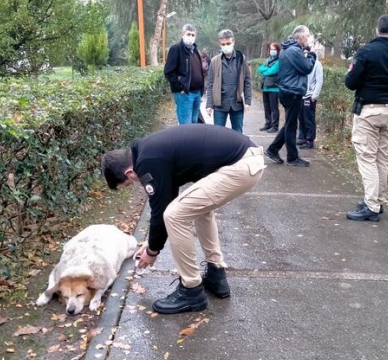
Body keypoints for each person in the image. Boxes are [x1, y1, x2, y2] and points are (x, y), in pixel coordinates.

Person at [102, 124, 266, 314]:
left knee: (175, 215)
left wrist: (152, 251)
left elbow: (163, 212)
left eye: (130, 183)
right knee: (195, 209)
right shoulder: (149, 151)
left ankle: (191, 290)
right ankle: (216, 274)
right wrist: (152, 242)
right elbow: (165, 201)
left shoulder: (147, 161)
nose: (136, 184)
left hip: (240, 167)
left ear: (129, 173)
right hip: (247, 160)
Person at [344, 14, 388, 222]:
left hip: (368, 111)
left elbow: (351, 82)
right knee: (382, 158)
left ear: (377, 29)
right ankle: (377, 201)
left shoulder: (365, 52)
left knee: (367, 158)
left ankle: (371, 206)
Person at [264, 26, 316, 167]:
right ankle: (292, 157)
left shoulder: (288, 49)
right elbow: (307, 67)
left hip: (288, 90)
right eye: (307, 36)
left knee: (289, 123)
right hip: (292, 91)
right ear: (301, 37)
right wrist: (312, 55)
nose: (308, 39)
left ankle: (273, 149)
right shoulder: (294, 51)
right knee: (291, 125)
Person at [206, 29, 252, 133]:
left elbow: (247, 80)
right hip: (220, 105)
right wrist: (209, 104)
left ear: (233, 42)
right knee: (218, 134)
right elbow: (210, 84)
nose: (226, 46)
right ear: (220, 44)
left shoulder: (242, 59)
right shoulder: (214, 61)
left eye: (228, 43)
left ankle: (237, 150)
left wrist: (248, 101)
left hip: (237, 104)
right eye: (223, 44)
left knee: (238, 133)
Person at [164, 24, 205, 125]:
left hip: (197, 94)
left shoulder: (195, 51)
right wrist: (179, 88)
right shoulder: (176, 49)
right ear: (182, 35)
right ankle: (185, 141)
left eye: (193, 35)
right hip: (185, 94)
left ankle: (193, 141)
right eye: (188, 34)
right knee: (186, 126)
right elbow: (168, 72)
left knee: (194, 123)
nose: (191, 37)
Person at [296, 45, 324, 149]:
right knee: (301, 117)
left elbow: (319, 80)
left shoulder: (317, 64)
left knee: (309, 118)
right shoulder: (303, 64)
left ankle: (310, 140)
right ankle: (302, 137)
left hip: (310, 96)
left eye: (307, 52)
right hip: (302, 94)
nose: (305, 54)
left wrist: (314, 96)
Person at [258, 43, 281, 133]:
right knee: (267, 107)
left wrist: (266, 70)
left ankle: (274, 126)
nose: (272, 51)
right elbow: (260, 69)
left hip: (274, 88)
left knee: (274, 108)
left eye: (274, 49)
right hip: (265, 87)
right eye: (271, 49)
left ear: (278, 50)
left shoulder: (278, 61)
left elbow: (271, 71)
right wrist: (266, 69)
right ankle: (268, 123)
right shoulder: (268, 60)